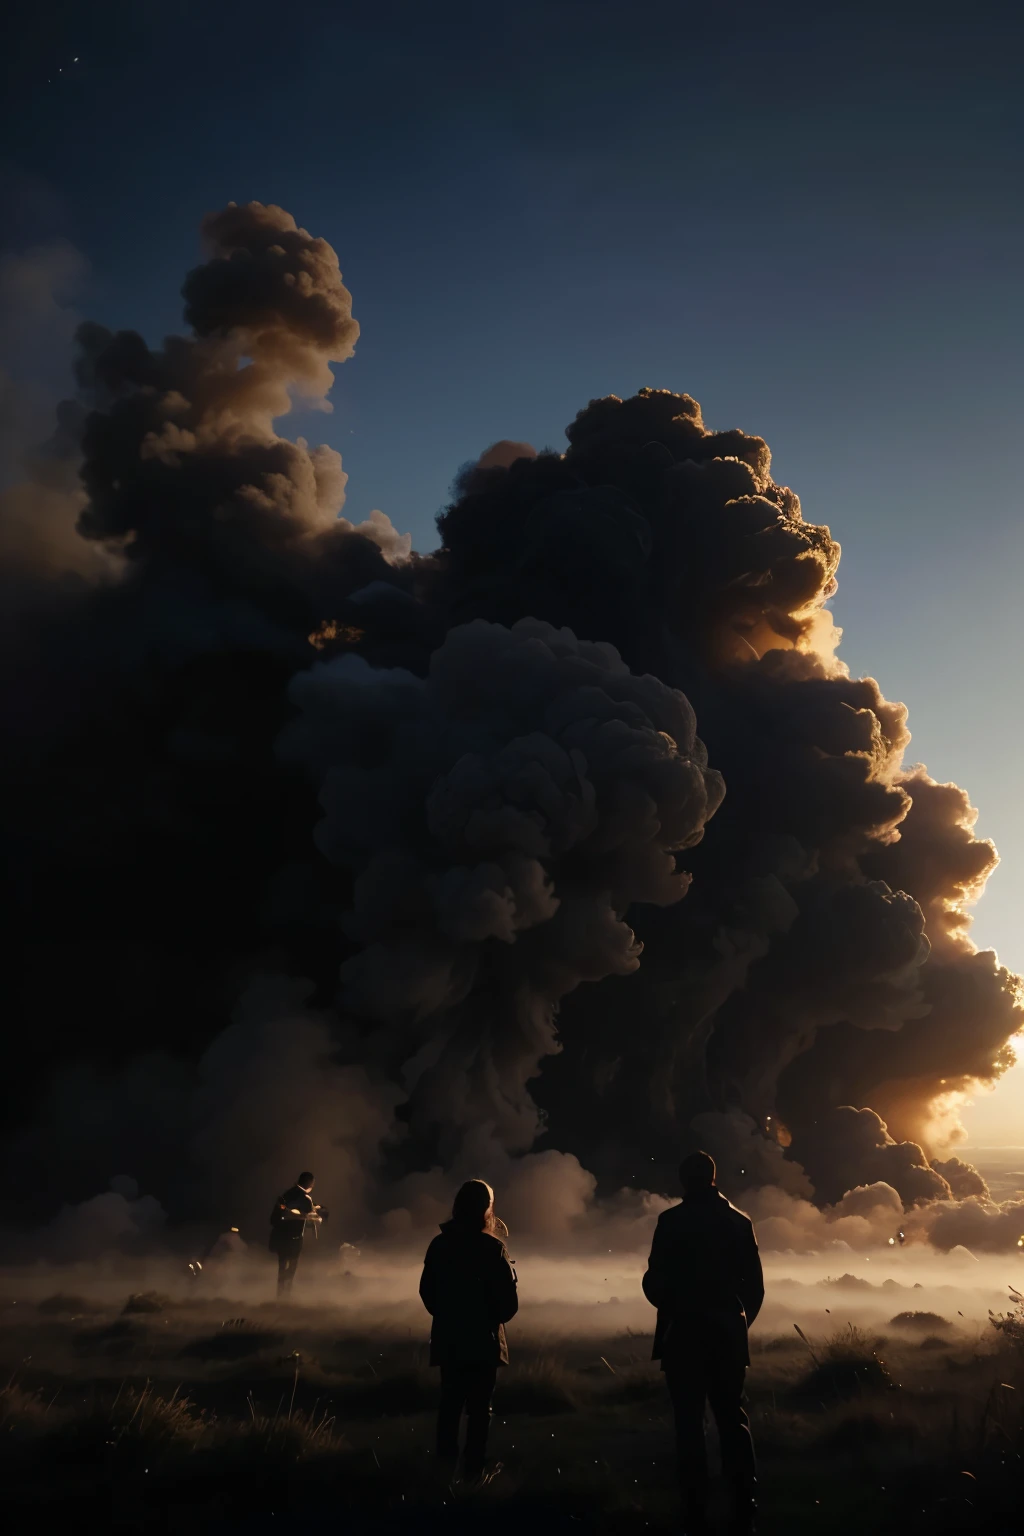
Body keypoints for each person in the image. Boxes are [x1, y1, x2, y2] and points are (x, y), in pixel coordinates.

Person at [642, 1150, 764, 1536]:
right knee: (732, 1417)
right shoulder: (739, 1222)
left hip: (683, 1335)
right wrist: (736, 1323)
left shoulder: (671, 1222)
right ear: (713, 1177)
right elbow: (755, 1288)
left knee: (688, 1423)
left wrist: (675, 1306)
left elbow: (654, 1282)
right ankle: (744, 1504)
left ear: (684, 1181)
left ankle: (694, 1508)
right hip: (728, 1333)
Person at [418, 1179, 518, 1485]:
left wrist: (449, 1316)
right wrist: (488, 1318)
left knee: (450, 1402)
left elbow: (427, 1292)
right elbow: (508, 1305)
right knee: (479, 1408)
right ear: (486, 1209)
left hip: (450, 1338)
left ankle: (444, 1465)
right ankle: (474, 1468)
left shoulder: (440, 1244)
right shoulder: (492, 1248)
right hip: (483, 1341)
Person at [269, 1171, 322, 1298]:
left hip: (280, 1236)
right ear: (310, 1183)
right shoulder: (305, 1198)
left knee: (282, 1267)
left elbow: (274, 1218)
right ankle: (285, 1297)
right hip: (294, 1239)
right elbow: (310, 1218)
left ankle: (279, 1296)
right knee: (291, 1268)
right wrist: (317, 1218)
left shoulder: (286, 1194)